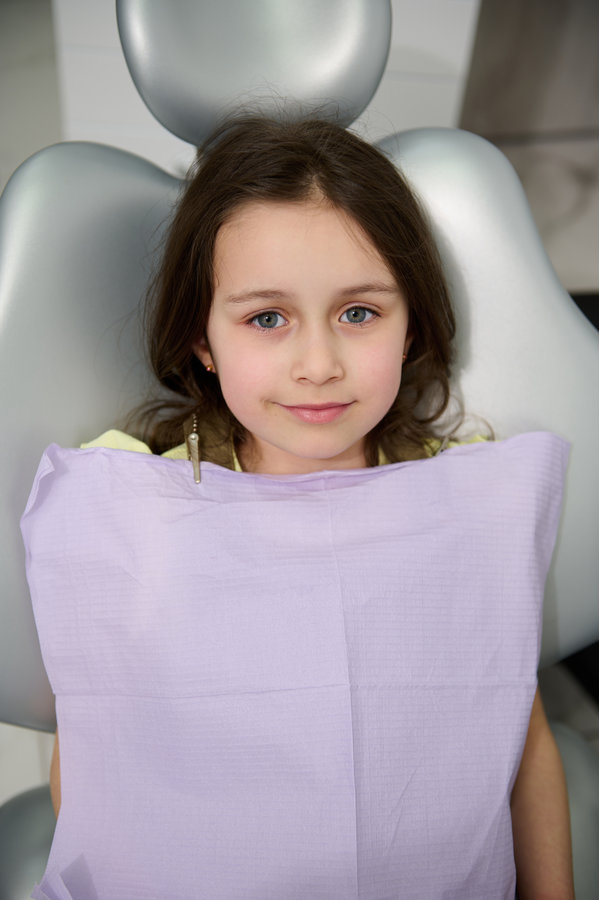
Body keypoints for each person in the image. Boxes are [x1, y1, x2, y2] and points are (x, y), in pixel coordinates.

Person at [23, 116, 573, 899]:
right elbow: (98, 738)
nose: (317, 365)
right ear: (201, 340)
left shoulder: (462, 506)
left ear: (410, 320)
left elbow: (515, 733)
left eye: (358, 313)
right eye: (266, 318)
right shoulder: (131, 503)